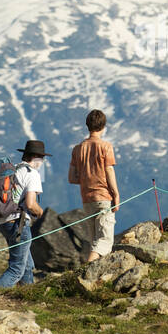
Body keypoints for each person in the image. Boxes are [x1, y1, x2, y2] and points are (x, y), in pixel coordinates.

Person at [0, 139, 48, 288]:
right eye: (42, 158)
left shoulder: (13, 170)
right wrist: (41, 213)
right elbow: (30, 204)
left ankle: (30, 299)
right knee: (16, 269)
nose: (43, 161)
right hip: (18, 224)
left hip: (3, 223)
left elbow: (0, 203)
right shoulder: (32, 173)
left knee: (26, 265)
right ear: (37, 158)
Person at [68, 109, 120, 263]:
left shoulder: (77, 149)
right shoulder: (106, 146)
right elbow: (109, 170)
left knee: (95, 240)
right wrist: (116, 194)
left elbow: (71, 178)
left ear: (87, 126)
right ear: (103, 126)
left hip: (87, 199)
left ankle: (93, 278)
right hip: (103, 197)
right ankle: (87, 267)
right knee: (104, 240)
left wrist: (86, 179)